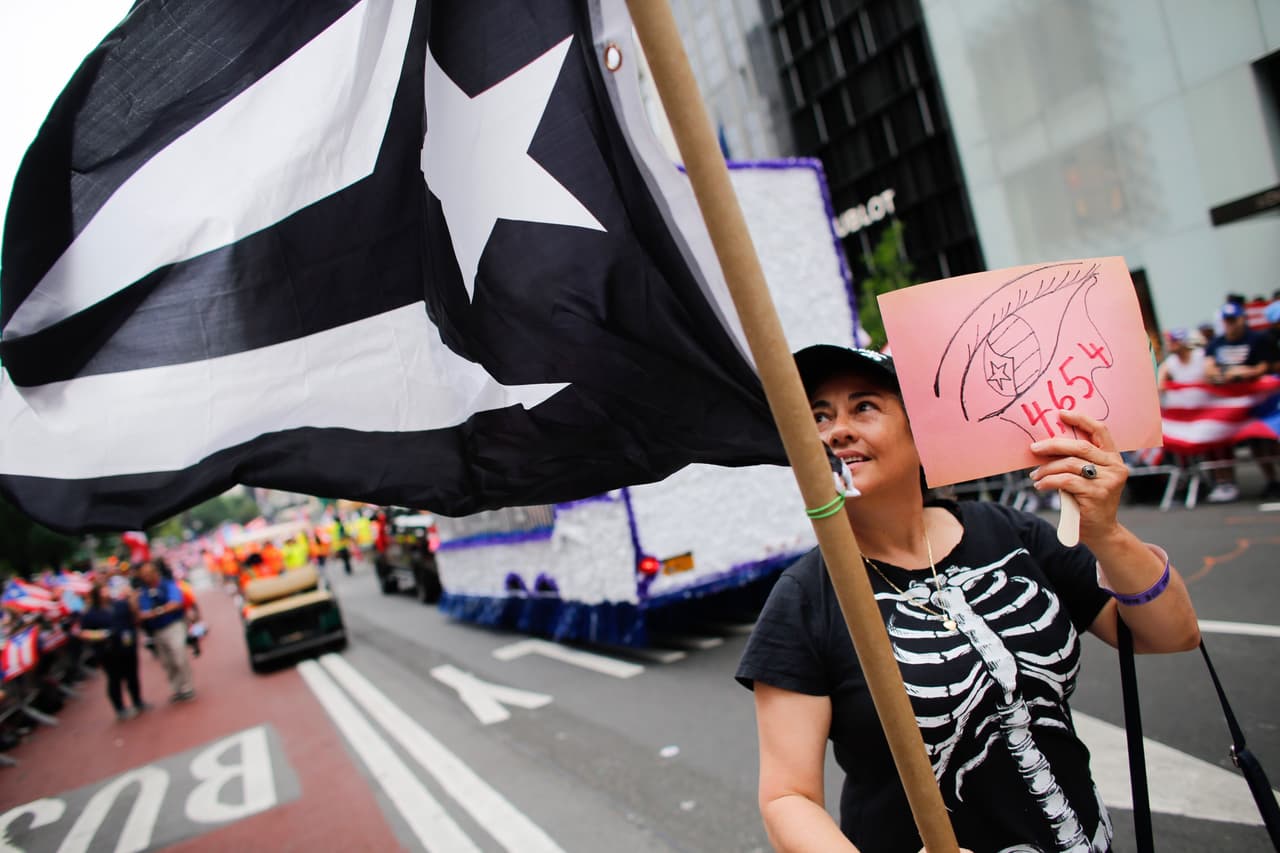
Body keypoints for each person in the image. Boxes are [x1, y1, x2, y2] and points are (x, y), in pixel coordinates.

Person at [736, 345, 1200, 853]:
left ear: (922, 433)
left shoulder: (1011, 533)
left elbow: (1171, 633)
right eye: (817, 417)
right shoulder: (805, 599)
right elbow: (787, 796)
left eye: (863, 406)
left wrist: (1107, 533)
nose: (836, 430)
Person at [1203, 301, 1278, 501]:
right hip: (1232, 406)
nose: (1230, 324)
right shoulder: (1217, 343)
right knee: (1253, 444)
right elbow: (1209, 369)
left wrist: (1245, 373)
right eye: (1226, 321)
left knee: (1270, 440)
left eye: (1233, 320)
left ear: (1242, 319)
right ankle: (1268, 480)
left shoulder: (1257, 339)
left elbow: (1264, 367)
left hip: (1261, 402)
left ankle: (1273, 478)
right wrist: (1227, 374)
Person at [79, 582, 149, 720]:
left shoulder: (120, 605)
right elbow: (84, 633)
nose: (106, 593)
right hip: (108, 652)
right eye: (102, 591)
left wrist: (133, 598)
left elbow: (135, 616)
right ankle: (120, 708)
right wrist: (102, 635)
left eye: (106, 590)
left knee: (132, 676)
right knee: (114, 679)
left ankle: (138, 701)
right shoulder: (90, 614)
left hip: (127, 647)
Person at [132, 561, 195, 702]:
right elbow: (142, 613)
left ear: (155, 573)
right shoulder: (144, 592)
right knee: (167, 661)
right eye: (144, 575)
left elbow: (175, 603)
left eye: (149, 574)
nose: (147, 577)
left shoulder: (167, 585)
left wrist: (157, 611)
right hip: (157, 630)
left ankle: (187, 686)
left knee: (179, 655)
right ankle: (177, 688)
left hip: (174, 625)